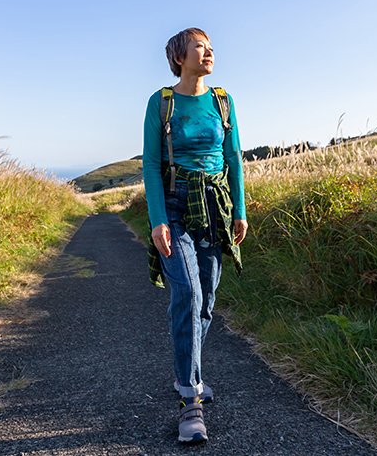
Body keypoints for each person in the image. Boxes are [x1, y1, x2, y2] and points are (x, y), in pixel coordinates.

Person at [142, 27, 248, 444]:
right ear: (178, 56)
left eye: (210, 47)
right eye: (198, 47)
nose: (208, 53)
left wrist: (240, 210)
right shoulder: (162, 103)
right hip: (175, 205)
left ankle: (192, 375)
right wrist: (157, 220)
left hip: (216, 207)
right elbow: (151, 164)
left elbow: (234, 156)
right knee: (187, 293)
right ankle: (190, 401)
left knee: (207, 300)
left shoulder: (223, 101)